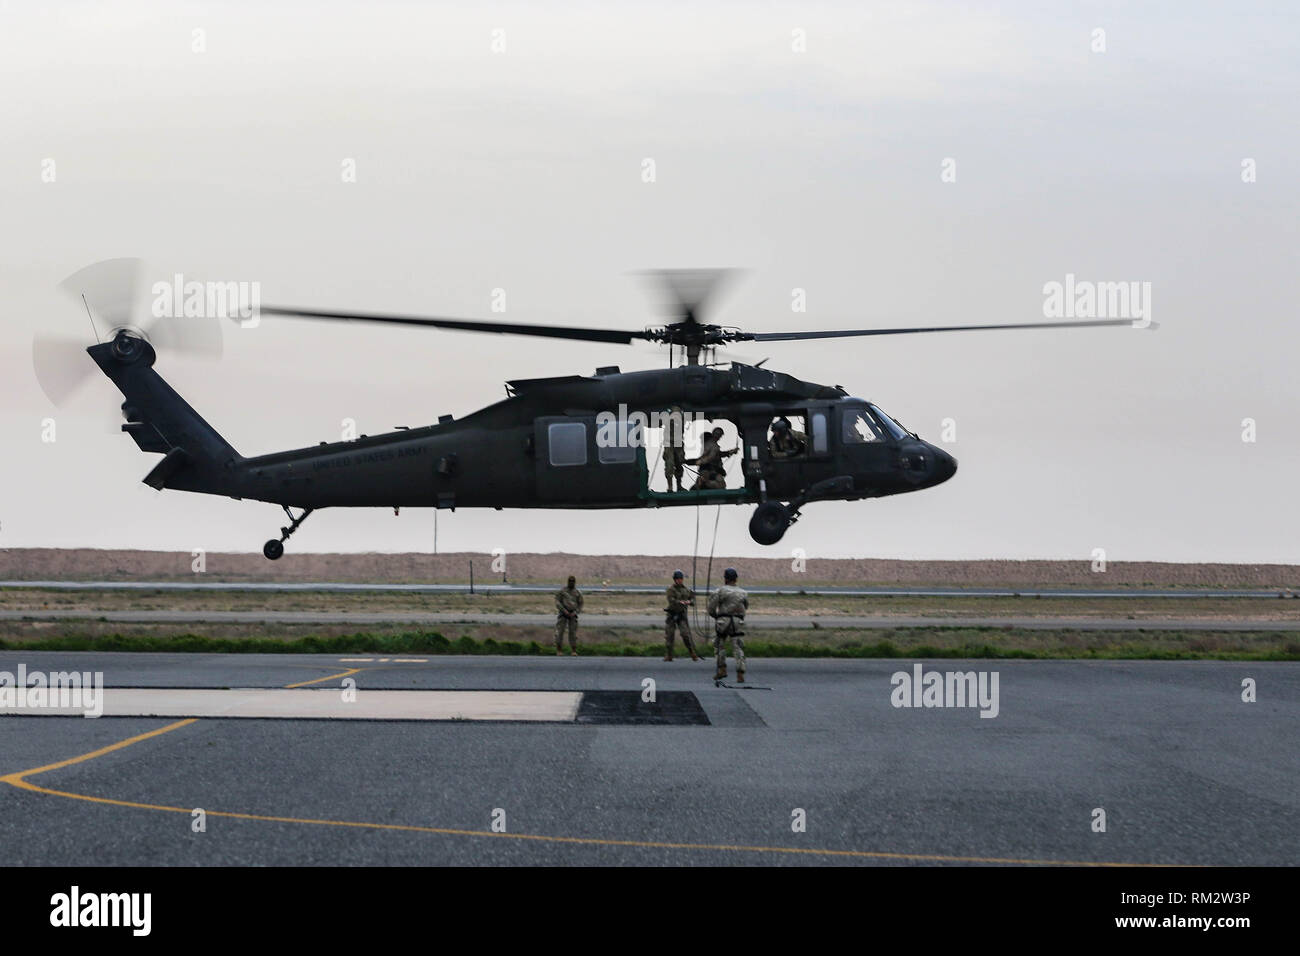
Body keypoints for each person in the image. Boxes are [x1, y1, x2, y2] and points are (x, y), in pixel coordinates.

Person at [708, 567, 749, 682]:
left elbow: (711, 608)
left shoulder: (719, 591)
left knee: (719, 644)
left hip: (723, 621)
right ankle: (740, 673)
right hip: (737, 621)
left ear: (725, 579)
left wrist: (716, 617)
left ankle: (722, 669)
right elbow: (746, 606)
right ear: (736, 579)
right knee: (738, 647)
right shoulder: (743, 592)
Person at [663, 569, 702, 662]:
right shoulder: (670, 589)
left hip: (681, 616)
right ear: (675, 580)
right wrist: (680, 602)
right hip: (672, 615)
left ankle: (692, 652)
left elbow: (693, 600)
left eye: (681, 579)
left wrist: (689, 602)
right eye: (678, 579)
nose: (680, 580)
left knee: (685, 634)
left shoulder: (686, 590)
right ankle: (669, 655)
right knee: (669, 635)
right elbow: (671, 600)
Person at [554, 575, 583, 655]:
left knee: (573, 633)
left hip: (573, 614)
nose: (571, 583)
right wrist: (563, 610)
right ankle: (559, 650)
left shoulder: (577, 592)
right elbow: (557, 601)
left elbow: (580, 604)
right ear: (568, 582)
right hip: (563, 614)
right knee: (560, 632)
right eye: (570, 581)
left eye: (573, 581)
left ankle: (573, 650)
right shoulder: (563, 591)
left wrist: (576, 612)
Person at [662, 406, 686, 492]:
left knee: (679, 465)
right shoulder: (670, 420)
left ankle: (678, 486)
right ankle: (670, 487)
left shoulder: (680, 420)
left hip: (678, 444)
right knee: (670, 464)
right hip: (670, 444)